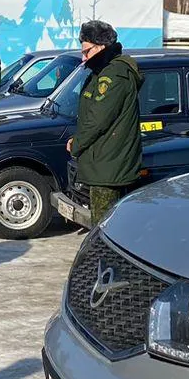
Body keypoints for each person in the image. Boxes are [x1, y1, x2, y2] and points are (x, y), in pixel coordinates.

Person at [66, 20, 142, 226]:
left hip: (108, 167)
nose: (84, 58)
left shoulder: (114, 74)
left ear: (101, 47)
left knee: (103, 227)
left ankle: (104, 260)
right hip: (102, 162)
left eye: (87, 51)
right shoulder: (101, 72)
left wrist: (78, 144)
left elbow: (99, 119)